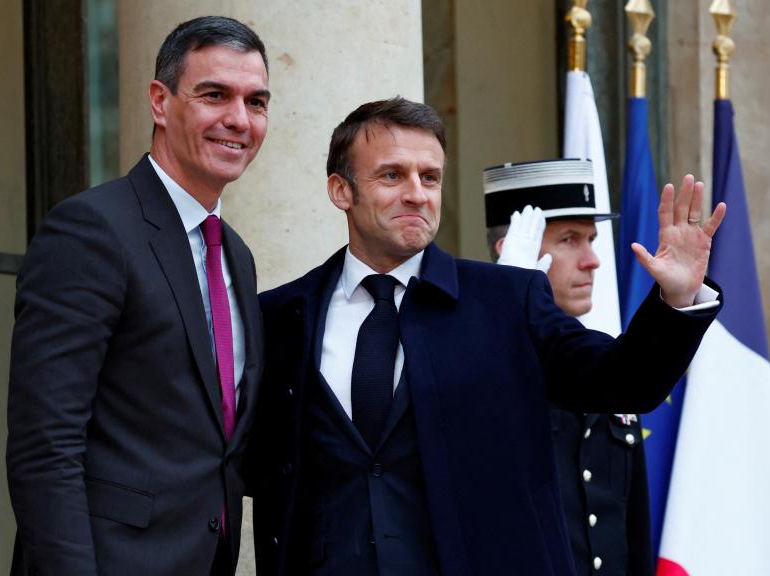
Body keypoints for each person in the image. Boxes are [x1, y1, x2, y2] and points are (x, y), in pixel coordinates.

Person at [251, 97, 725, 576]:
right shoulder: (283, 314)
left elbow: (623, 382)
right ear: (341, 190)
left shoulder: (506, 300)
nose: (417, 193)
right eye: (392, 176)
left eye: (430, 177)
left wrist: (676, 300)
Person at [6, 16, 269, 576]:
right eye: (214, 95)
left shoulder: (236, 257)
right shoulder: (90, 230)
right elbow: (45, 448)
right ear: (159, 101)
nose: (238, 119)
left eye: (256, 101)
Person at [484, 158, 656, 576]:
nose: (593, 260)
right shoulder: (479, 362)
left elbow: (632, 532)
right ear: (514, 249)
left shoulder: (600, 362)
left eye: (592, 239)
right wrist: (508, 306)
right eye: (569, 239)